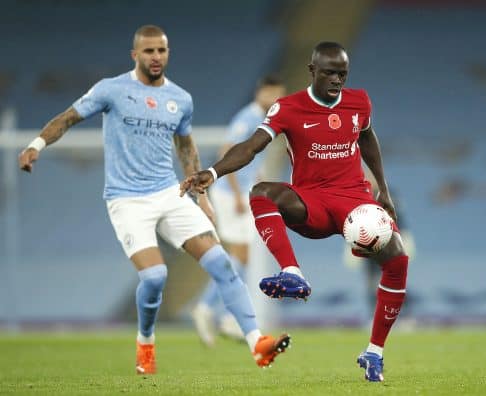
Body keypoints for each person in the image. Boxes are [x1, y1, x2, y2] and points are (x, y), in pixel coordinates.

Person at [18, 25, 289, 375]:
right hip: (127, 201)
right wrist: (35, 145)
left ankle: (257, 343)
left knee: (222, 263)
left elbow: (185, 146)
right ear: (135, 55)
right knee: (156, 277)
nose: (156, 57)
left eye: (161, 51)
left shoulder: (180, 99)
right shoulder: (111, 90)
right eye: (148, 51)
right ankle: (145, 341)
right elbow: (68, 117)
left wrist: (200, 195)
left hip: (170, 194)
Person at [181, 41, 410, 382]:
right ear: (312, 71)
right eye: (330, 73)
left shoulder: (359, 101)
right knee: (262, 192)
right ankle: (292, 272)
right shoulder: (288, 108)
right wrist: (213, 173)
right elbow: (251, 147)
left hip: (356, 203)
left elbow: (367, 138)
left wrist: (384, 191)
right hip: (311, 202)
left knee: (398, 260)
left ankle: (374, 352)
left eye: (342, 74)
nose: (337, 81)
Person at [190, 75, 286, 346]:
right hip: (231, 195)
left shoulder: (264, 119)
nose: (274, 99)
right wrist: (236, 193)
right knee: (242, 255)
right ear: (260, 93)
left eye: (278, 94)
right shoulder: (249, 116)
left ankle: (216, 311)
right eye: (271, 93)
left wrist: (255, 178)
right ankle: (212, 310)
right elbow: (226, 151)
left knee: (243, 256)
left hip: (240, 193)